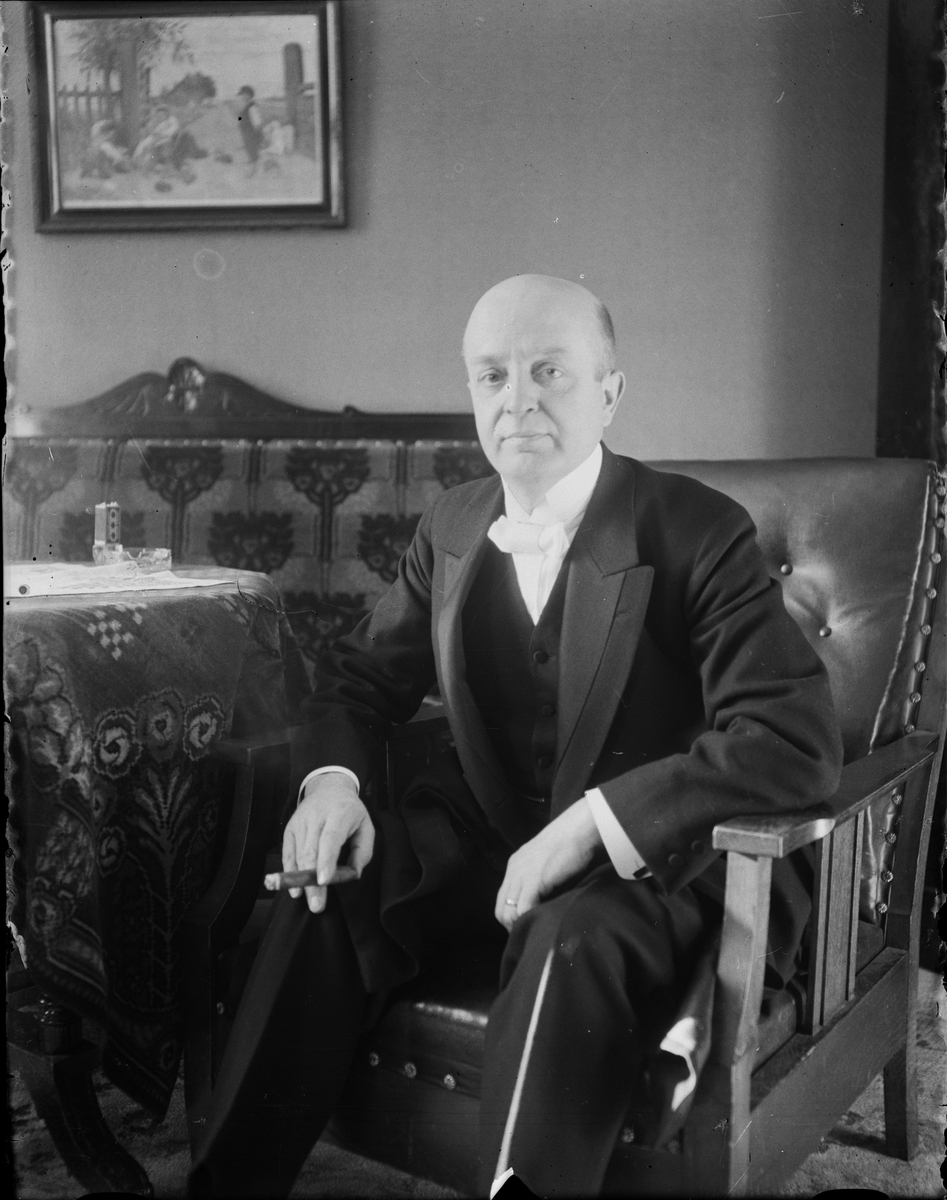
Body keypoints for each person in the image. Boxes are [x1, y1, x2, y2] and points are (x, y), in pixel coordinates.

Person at [188, 274, 843, 1198]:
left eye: (550, 372)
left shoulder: (698, 530)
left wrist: (588, 825)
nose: (518, 400)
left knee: (566, 936)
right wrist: (332, 786)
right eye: (492, 375)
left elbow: (791, 739)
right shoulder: (452, 523)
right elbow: (357, 680)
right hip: (486, 829)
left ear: (609, 392)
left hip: (655, 862)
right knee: (325, 887)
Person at [235, 85, 265, 176]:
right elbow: (240, 117)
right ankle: (252, 166)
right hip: (246, 132)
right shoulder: (244, 106)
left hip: (251, 133)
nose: (241, 97)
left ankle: (253, 171)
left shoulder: (252, 107)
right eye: (241, 95)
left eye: (243, 95)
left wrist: (258, 135)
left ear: (248, 95)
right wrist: (239, 120)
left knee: (252, 151)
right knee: (248, 149)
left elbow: (258, 123)